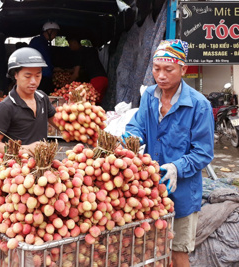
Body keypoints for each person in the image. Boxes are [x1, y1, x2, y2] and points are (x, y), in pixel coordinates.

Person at [125, 39, 214, 267]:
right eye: (156, 69)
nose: (161, 75)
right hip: (150, 191)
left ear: (183, 69)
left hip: (183, 192)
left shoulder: (199, 105)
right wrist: (132, 137)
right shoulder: (149, 97)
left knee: (178, 252)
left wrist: (177, 167)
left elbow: (203, 153)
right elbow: (138, 125)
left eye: (168, 69)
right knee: (150, 250)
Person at [0, 47, 57, 156]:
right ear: (15, 75)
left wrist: (80, 110)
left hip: (41, 167)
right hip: (16, 169)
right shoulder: (6, 107)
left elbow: (62, 125)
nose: (33, 81)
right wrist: (25, 149)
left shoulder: (43, 98)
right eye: (27, 76)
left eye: (38, 75)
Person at [67, 36, 108, 105]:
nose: (69, 47)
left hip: (97, 80)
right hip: (104, 79)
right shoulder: (90, 50)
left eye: (70, 44)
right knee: (97, 103)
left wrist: (66, 85)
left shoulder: (79, 53)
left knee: (89, 104)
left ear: (75, 43)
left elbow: (76, 74)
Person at [29, 21, 60, 95]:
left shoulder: (44, 43)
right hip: (40, 77)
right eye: (55, 33)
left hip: (43, 77)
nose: (55, 36)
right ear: (49, 31)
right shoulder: (38, 42)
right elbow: (44, 61)